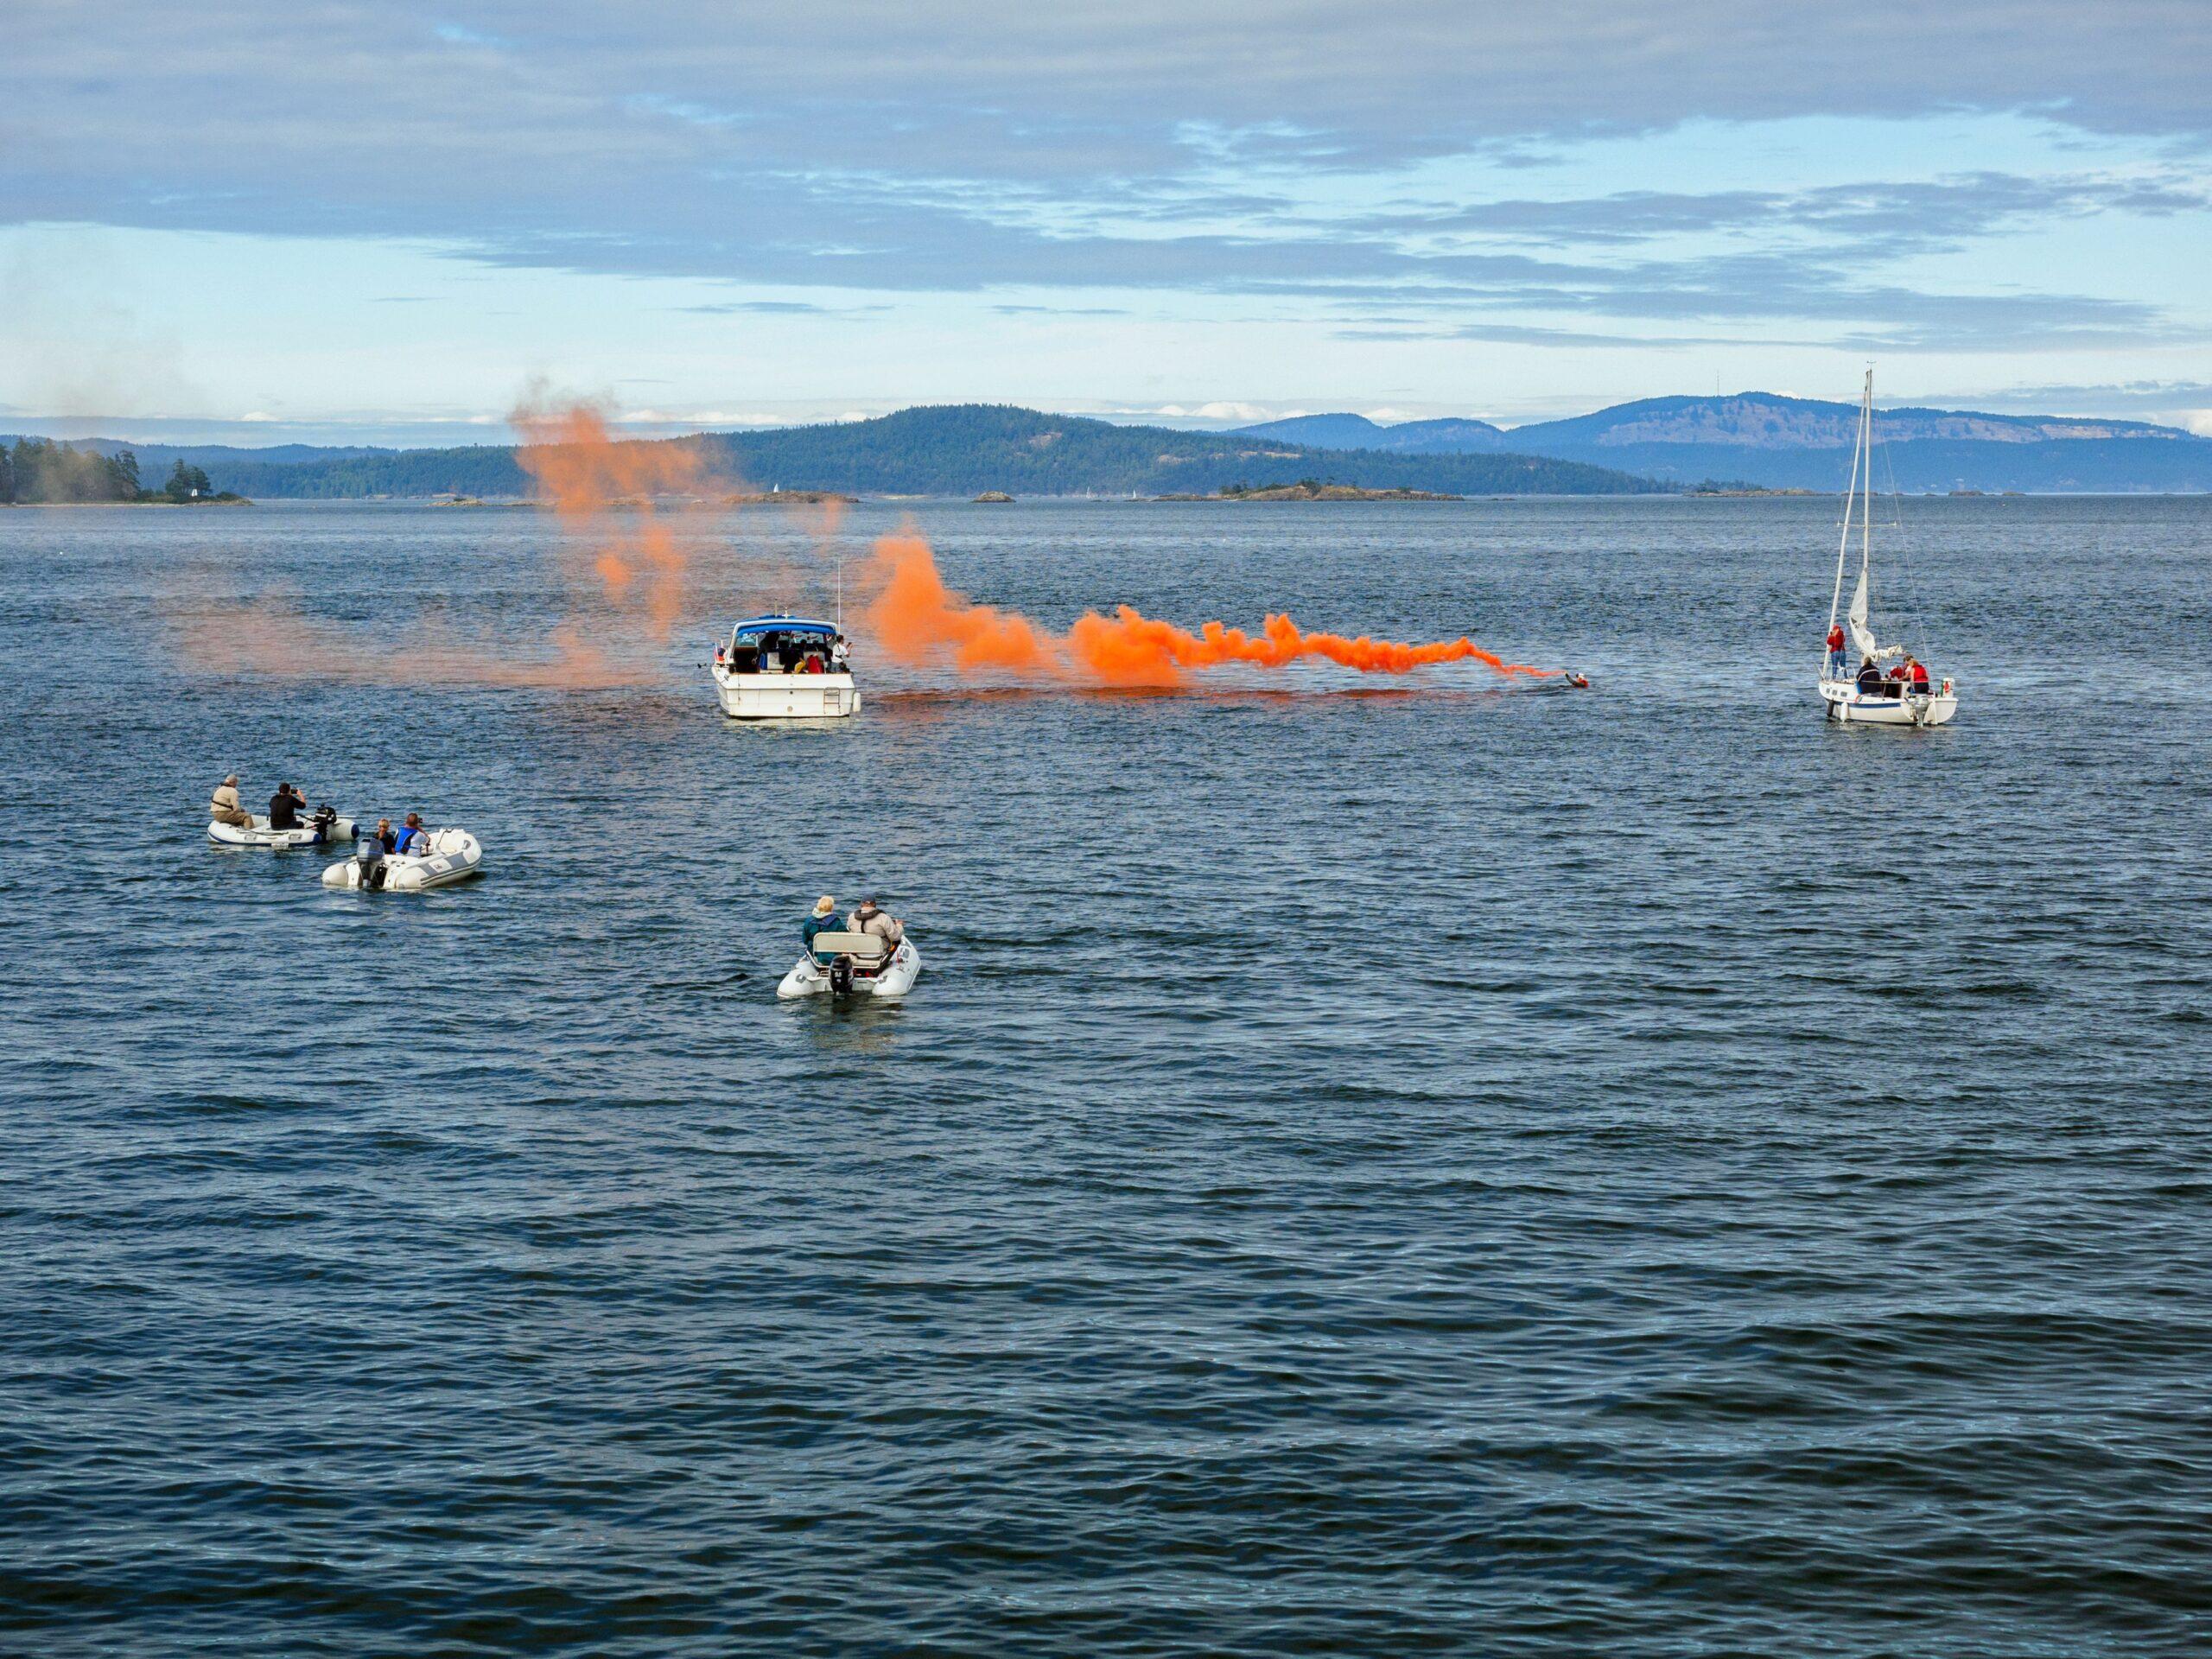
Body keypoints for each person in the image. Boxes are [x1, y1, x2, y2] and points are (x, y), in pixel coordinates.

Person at [803, 895, 841, 964]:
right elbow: (844, 940)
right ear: (831, 908)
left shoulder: (808, 921)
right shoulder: (836, 922)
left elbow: (805, 941)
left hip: (814, 952)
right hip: (832, 955)